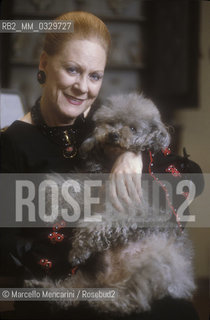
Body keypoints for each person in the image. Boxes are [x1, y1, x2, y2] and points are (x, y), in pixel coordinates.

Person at [0, 11, 202, 320]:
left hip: (123, 275)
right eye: (72, 70)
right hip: (60, 285)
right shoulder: (11, 142)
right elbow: (9, 248)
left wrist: (134, 155)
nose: (83, 87)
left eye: (95, 75)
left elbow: (192, 179)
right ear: (43, 64)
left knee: (177, 311)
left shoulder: (105, 126)